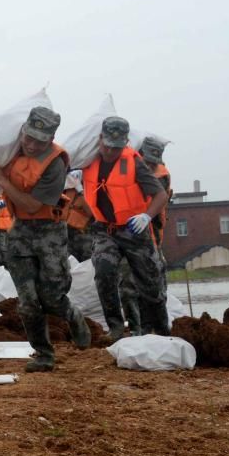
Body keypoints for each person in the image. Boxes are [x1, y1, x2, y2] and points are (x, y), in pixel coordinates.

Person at [0, 107, 91, 372]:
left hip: (49, 232)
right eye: (28, 138)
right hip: (20, 233)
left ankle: (72, 315)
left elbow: (31, 205)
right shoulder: (11, 147)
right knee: (28, 301)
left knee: (52, 297)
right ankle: (43, 354)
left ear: (51, 138)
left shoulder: (55, 163)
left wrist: (1, 182)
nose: (30, 145)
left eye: (38, 141)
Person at [82, 117, 170, 341]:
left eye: (116, 147)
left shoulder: (134, 162)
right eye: (107, 145)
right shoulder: (86, 158)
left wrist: (146, 216)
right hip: (105, 229)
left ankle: (160, 329)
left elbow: (160, 195)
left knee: (150, 283)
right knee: (103, 269)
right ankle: (116, 328)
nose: (111, 151)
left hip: (134, 229)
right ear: (100, 139)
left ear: (125, 143)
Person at [117, 136, 173, 332]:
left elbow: (154, 207)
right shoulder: (123, 170)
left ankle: (161, 330)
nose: (149, 166)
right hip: (126, 240)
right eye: (145, 161)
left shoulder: (161, 177)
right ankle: (135, 330)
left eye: (153, 163)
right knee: (128, 286)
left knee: (156, 286)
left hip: (151, 239)